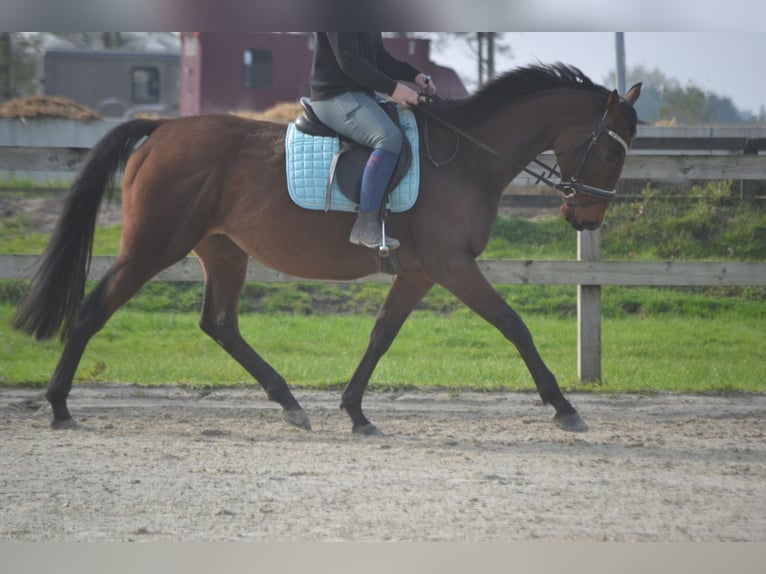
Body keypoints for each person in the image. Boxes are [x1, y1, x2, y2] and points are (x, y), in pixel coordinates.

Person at [309, 33, 437, 250]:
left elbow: (379, 59)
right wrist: (394, 89)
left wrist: (414, 75)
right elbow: (349, 61)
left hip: (360, 95)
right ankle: (365, 224)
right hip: (334, 97)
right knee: (388, 138)